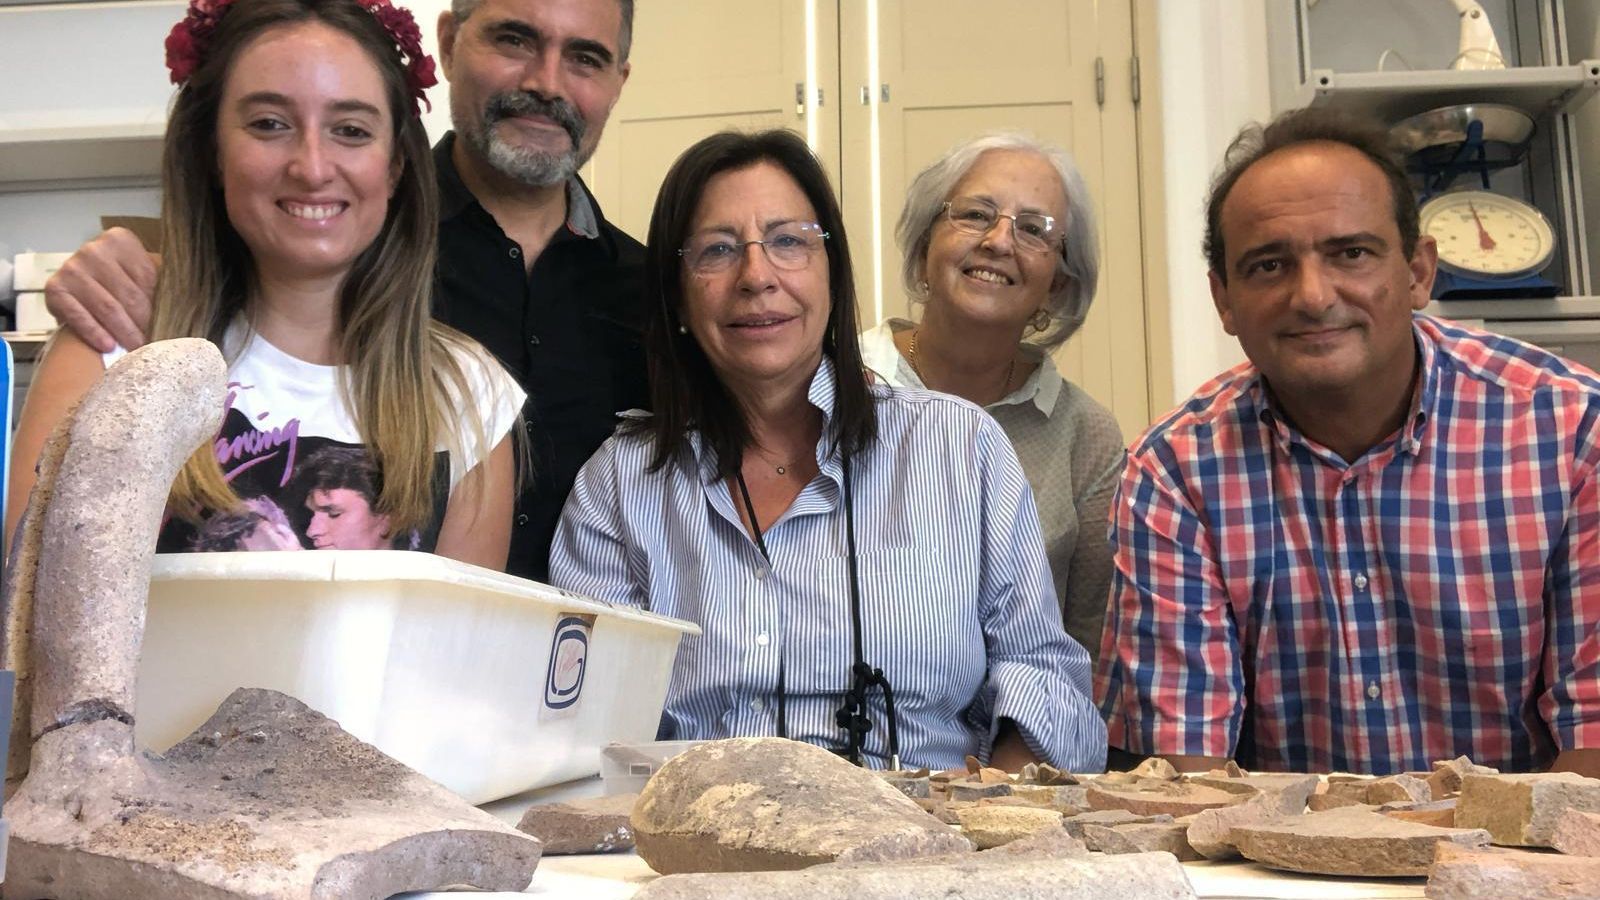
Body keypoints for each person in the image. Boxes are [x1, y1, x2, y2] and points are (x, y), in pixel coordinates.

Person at [550, 129, 1106, 773]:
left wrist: (985, 821)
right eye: (718, 250)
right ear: (676, 294)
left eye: (788, 241)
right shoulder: (619, 486)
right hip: (705, 849)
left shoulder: (962, 448)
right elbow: (584, 727)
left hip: (930, 843)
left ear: (832, 271)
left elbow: (1047, 682)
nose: (757, 276)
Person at [39, 0, 643, 581]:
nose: (313, 166)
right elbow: (41, 632)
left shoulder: (651, 301)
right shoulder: (124, 334)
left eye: (585, 57)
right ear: (451, 43)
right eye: (515, 39)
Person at [1096, 106, 1600, 777]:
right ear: (1224, 300)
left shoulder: (1572, 431)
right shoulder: (1173, 471)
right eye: (1269, 266)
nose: (1312, 295)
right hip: (1278, 868)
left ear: (1419, 272)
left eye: (1351, 254)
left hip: (1524, 865)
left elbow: (1591, 750)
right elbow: (1190, 771)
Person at [860, 132, 1123, 661]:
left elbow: (1087, 644)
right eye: (977, 214)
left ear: (1058, 281)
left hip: (1018, 735)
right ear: (924, 242)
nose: (999, 242)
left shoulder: (1086, 435)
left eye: (1033, 229)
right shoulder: (839, 386)